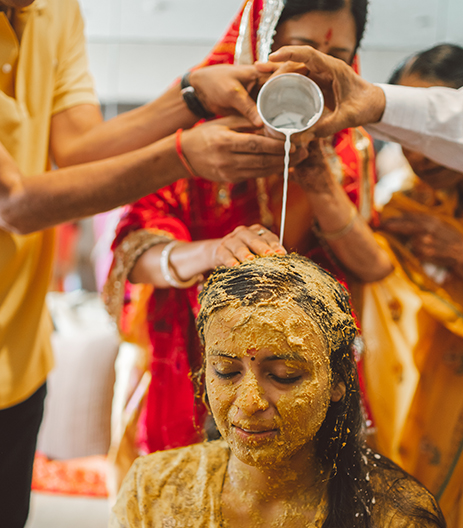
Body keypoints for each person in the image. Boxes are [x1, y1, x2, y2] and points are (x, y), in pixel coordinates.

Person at [0, 1, 306, 528]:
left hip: (17, 358)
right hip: (175, 396)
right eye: (294, 46)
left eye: (329, 55)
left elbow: (75, 146)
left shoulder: (50, 11)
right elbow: (16, 203)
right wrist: (184, 159)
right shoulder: (189, 155)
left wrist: (192, 94)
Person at [65, 253, 456, 528]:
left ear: (338, 382)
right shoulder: (155, 490)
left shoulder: (400, 524)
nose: (249, 401)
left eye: (284, 375)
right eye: (227, 371)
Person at [105, 0, 392, 469]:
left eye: (336, 53)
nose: (316, 70)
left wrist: (321, 183)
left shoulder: (348, 146)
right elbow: (134, 250)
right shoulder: (204, 135)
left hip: (304, 380)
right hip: (203, 368)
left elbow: (372, 266)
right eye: (298, 49)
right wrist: (212, 252)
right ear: (262, 42)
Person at [357, 43, 463, 528]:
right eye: (407, 134)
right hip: (416, 419)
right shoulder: (402, 209)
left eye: (433, 129)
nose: (420, 151)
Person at [264, 45, 463, 171]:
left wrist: (376, 103)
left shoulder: (358, 152)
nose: (313, 72)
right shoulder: (400, 198)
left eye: (336, 55)